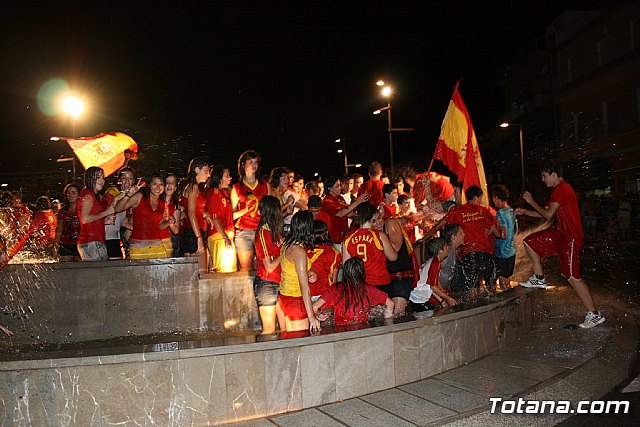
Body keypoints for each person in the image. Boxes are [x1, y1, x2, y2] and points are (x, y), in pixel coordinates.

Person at [516, 159, 604, 328]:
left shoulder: (562, 189)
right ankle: (539, 278)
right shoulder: (559, 190)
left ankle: (594, 314)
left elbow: (548, 215)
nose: (542, 180)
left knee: (573, 277)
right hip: (560, 234)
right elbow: (545, 212)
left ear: (554, 174)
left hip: (570, 238)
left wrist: (531, 201)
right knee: (529, 242)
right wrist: (525, 211)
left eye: (544, 176)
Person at [445, 186, 499, 298]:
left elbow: (444, 225)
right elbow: (496, 233)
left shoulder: (457, 211)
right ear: (477, 197)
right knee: (491, 288)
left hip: (469, 254)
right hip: (486, 253)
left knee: (472, 290)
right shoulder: (484, 211)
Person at [313, 257, 394, 326]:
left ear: (345, 272)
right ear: (362, 272)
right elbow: (390, 303)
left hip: (340, 329)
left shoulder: (335, 289)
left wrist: (317, 317)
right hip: (362, 329)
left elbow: (315, 307)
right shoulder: (369, 289)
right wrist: (387, 322)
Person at [278, 211, 321, 332]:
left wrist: (310, 271)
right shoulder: (298, 251)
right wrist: (311, 317)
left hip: (285, 295)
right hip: (295, 298)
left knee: (291, 337)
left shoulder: (287, 244)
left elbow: (291, 267)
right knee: (300, 339)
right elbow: (304, 286)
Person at [115, 172, 174, 259]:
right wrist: (129, 195)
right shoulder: (139, 197)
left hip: (158, 247)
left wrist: (168, 222)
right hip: (138, 248)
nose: (158, 187)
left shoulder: (163, 204)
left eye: (161, 184)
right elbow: (118, 209)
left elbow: (159, 226)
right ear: (149, 185)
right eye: (155, 184)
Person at [231, 150, 269, 271]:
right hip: (244, 232)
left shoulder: (265, 185)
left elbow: (271, 208)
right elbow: (231, 216)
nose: (254, 165)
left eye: (256, 162)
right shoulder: (236, 188)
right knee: (246, 270)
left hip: (262, 230)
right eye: (250, 162)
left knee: (264, 268)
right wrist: (244, 210)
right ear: (243, 164)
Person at [343, 202, 398, 286]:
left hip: (360, 284)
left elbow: (346, 265)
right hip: (379, 282)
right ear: (373, 216)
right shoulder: (379, 235)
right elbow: (393, 257)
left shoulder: (348, 238)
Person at [254, 196, 285, 334]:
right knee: (269, 330)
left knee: (285, 328)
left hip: (280, 282)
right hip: (267, 283)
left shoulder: (275, 233)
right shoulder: (263, 233)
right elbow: (269, 266)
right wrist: (283, 253)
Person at [77, 167, 120, 261]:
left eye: (102, 177)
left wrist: (104, 221)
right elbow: (85, 219)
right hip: (92, 241)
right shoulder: (88, 195)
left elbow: (89, 219)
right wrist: (106, 213)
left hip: (92, 240)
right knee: (100, 269)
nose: (102, 181)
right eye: (98, 177)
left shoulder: (91, 195)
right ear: (90, 178)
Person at [180, 157, 211, 271]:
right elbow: (191, 213)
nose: (208, 175)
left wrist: (204, 213)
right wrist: (199, 238)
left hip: (188, 232)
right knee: (202, 272)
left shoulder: (187, 186)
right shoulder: (194, 187)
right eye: (206, 171)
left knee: (192, 272)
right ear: (197, 170)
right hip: (194, 232)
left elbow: (190, 208)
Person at [410, 237, 457, 311]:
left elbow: (432, 284)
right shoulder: (435, 264)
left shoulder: (433, 261)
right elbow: (433, 287)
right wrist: (448, 298)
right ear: (440, 251)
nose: (448, 248)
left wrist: (442, 300)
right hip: (418, 299)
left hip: (416, 297)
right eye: (446, 246)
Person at [205, 165, 237, 272]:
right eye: (227, 176)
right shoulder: (214, 194)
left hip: (225, 236)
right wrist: (226, 238)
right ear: (219, 178)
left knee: (229, 270)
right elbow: (215, 218)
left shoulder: (223, 193)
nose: (230, 178)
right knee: (224, 271)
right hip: (220, 237)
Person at [321, 176, 368, 246]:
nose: (340, 188)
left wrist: (351, 213)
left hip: (344, 233)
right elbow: (340, 213)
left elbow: (346, 210)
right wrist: (357, 202)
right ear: (330, 188)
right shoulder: (327, 201)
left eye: (340, 185)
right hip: (335, 237)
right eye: (337, 186)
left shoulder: (339, 198)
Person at [104, 167, 135, 260]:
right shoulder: (112, 192)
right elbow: (113, 209)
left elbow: (124, 222)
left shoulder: (132, 197)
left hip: (116, 237)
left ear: (133, 181)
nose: (127, 181)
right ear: (119, 180)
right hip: (106, 237)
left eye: (130, 178)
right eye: (124, 178)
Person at [308, 220, 341, 299]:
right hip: (324, 295)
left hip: (305, 293)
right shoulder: (334, 253)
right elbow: (334, 281)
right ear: (326, 233)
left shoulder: (302, 250)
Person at [492, 184, 516, 291]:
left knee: (503, 286)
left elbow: (503, 235)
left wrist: (493, 229)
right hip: (510, 252)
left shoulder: (500, 213)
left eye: (493, 198)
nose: (493, 200)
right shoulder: (510, 210)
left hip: (502, 253)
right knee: (507, 283)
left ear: (497, 197)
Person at [55, 183, 81, 261]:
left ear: (78, 194)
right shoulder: (62, 211)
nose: (70, 195)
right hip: (65, 244)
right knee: (65, 266)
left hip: (80, 243)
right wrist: (56, 244)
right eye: (68, 193)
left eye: (73, 192)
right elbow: (59, 229)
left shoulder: (83, 209)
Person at [164, 173, 182, 257]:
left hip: (170, 243)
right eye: (167, 182)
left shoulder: (176, 206)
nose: (169, 185)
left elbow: (176, 230)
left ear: (175, 188)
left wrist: (170, 222)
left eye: (173, 183)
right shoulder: (155, 202)